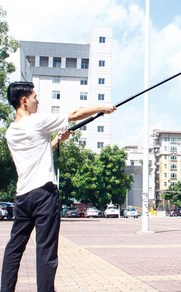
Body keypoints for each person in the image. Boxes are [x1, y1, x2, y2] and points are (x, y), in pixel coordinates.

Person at [0, 81, 116, 292]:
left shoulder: (10, 132)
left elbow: (35, 155)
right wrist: (102, 108)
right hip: (44, 195)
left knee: (14, 248)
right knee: (46, 251)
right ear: (24, 101)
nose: (37, 101)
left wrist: (56, 141)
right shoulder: (36, 121)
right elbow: (73, 114)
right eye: (35, 97)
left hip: (23, 197)